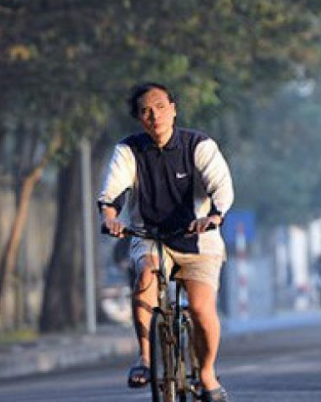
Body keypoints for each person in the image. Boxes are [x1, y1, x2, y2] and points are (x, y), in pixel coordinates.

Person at [99, 82, 234, 402]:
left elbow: (221, 187)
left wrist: (213, 216)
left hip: (198, 238)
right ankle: (145, 359)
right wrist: (110, 217)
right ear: (138, 118)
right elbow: (112, 191)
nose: (154, 115)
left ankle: (207, 374)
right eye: (145, 110)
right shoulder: (129, 150)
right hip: (149, 235)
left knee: (201, 309)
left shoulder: (199, 145)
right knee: (145, 274)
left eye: (160, 106)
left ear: (173, 108)